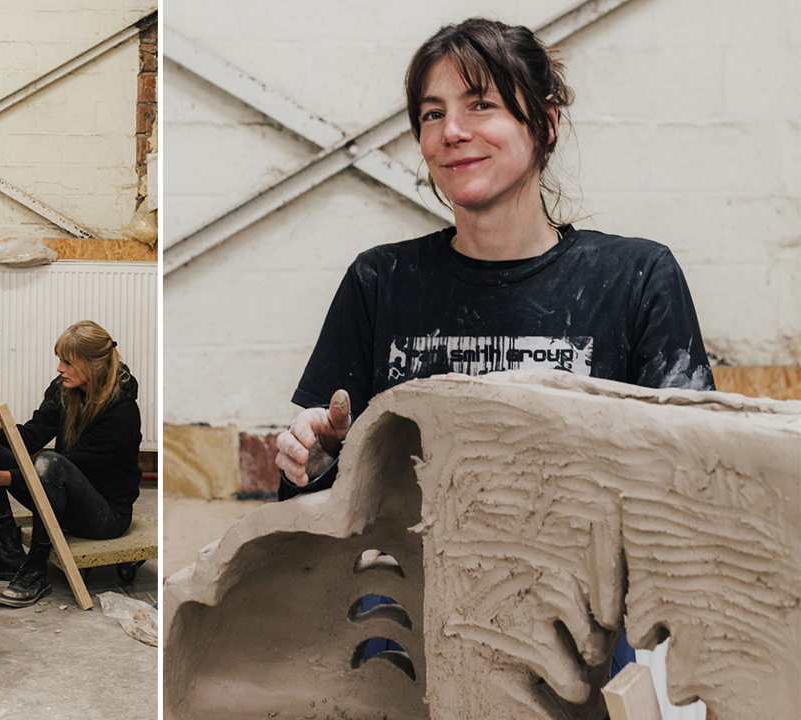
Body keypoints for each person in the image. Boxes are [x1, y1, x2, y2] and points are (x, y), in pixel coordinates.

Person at [274, 18, 714, 675]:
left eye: (481, 103)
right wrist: (313, 462)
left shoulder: (636, 279)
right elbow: (318, 499)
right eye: (432, 113)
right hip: (410, 620)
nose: (451, 131)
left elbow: (690, 491)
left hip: (582, 632)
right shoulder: (380, 282)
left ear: (546, 123)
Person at [0, 320, 143, 608]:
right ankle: (8, 550)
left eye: (68, 362)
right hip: (60, 496)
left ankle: (36, 568)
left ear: (93, 365)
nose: (59, 368)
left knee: (50, 464)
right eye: (60, 360)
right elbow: (34, 434)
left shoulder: (122, 414)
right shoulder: (63, 389)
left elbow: (69, 464)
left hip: (105, 515)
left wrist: (7, 478)